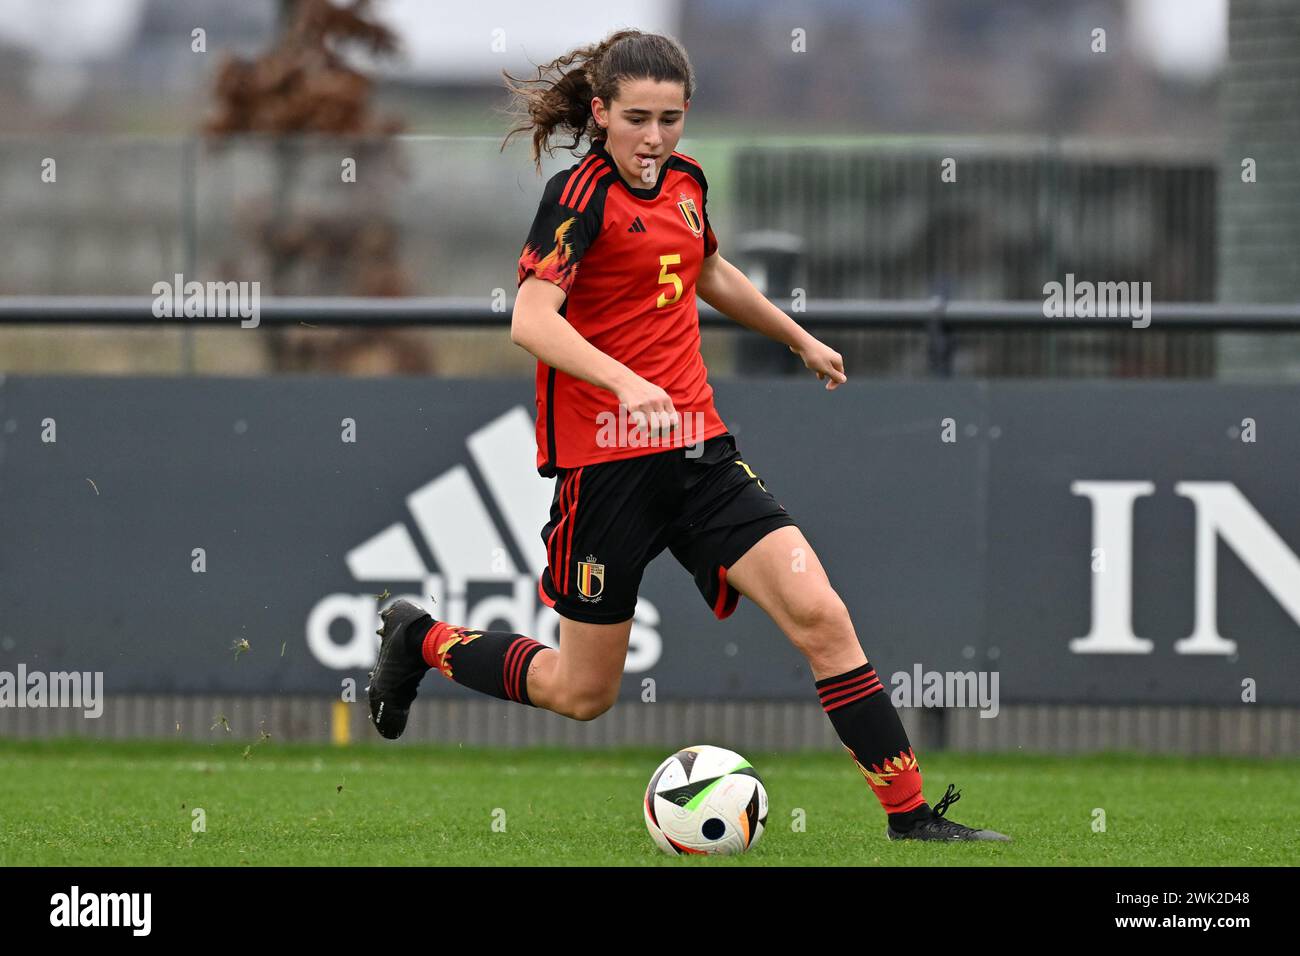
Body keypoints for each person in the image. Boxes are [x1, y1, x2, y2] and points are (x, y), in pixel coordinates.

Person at [368, 28, 1009, 843]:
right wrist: (626, 381)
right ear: (600, 113)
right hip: (605, 469)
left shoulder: (687, 182)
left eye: (671, 119)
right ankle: (421, 638)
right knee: (583, 693)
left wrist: (796, 336)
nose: (655, 138)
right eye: (637, 118)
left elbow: (708, 270)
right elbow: (531, 321)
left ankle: (912, 819)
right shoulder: (579, 196)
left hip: (700, 452)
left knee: (822, 613)